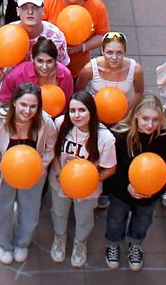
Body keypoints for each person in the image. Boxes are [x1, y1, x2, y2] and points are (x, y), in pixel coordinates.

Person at [0, 82, 59, 265]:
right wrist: (2, 167)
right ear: (14, 102)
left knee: (30, 212)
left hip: (33, 177)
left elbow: (50, 149)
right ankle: (4, 244)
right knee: (2, 211)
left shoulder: (46, 123)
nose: (27, 110)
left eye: (33, 106)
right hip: (1, 175)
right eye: (23, 104)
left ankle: (22, 243)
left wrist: (39, 168)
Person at [103, 94, 166, 272]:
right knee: (116, 218)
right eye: (145, 118)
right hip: (122, 191)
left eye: (155, 120)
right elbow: (112, 167)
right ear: (135, 115)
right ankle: (113, 244)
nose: (150, 125)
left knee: (143, 220)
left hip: (151, 194)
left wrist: (155, 187)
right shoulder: (120, 136)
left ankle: (135, 244)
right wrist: (127, 186)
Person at [48, 89, 116, 268]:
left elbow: (110, 168)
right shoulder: (60, 123)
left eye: (82, 110)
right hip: (60, 181)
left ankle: (80, 242)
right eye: (72, 110)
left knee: (84, 217)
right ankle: (60, 237)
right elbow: (53, 153)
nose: (76, 115)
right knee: (59, 212)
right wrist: (58, 174)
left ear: (91, 112)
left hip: (88, 189)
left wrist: (90, 181)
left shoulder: (105, 138)